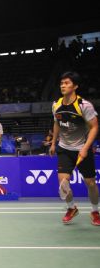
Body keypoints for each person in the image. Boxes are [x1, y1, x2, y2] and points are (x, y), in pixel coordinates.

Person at [50, 71, 99, 225]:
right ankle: (71, 208)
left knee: (90, 183)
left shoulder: (84, 106)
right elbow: (57, 123)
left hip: (81, 149)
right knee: (63, 183)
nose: (63, 86)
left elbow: (94, 127)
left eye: (67, 83)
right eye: (61, 83)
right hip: (64, 149)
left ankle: (95, 210)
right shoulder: (56, 105)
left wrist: (85, 148)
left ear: (75, 86)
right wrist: (53, 142)